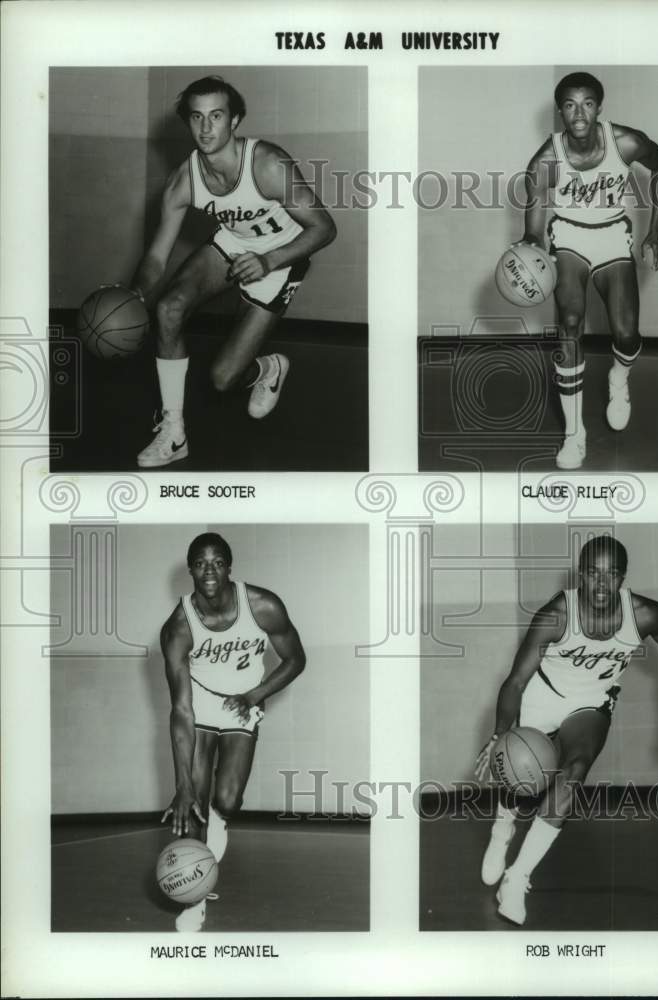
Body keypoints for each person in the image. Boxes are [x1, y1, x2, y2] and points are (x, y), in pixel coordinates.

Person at [474, 535, 658, 927]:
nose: (601, 584)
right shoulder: (557, 614)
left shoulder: (643, 615)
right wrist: (498, 735)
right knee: (517, 772)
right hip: (543, 694)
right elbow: (514, 682)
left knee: (574, 770)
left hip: (590, 704)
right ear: (581, 575)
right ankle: (503, 826)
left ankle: (518, 875)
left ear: (623, 578)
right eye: (593, 573)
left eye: (611, 575)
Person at [130, 76, 337, 468]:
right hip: (233, 244)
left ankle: (268, 367)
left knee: (223, 380)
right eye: (197, 118)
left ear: (235, 120)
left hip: (283, 256)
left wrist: (269, 260)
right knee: (168, 309)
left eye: (217, 116)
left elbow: (324, 228)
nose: (206, 128)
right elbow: (157, 257)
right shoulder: (183, 181)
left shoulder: (269, 165)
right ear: (188, 123)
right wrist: (136, 293)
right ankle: (173, 433)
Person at [518, 72, 658, 470]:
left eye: (587, 103)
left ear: (599, 107)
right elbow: (534, 223)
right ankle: (574, 434)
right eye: (570, 105)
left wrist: (656, 228)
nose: (579, 112)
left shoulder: (625, 142)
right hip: (568, 237)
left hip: (611, 237)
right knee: (569, 322)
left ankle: (618, 379)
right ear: (560, 111)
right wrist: (532, 249)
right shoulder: (546, 160)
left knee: (627, 332)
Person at [160, 532, 306, 932]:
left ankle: (219, 821)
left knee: (227, 799)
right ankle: (194, 900)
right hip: (201, 701)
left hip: (243, 701)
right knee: (194, 801)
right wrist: (182, 784)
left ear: (229, 567)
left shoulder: (262, 606)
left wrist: (256, 694)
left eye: (218, 562)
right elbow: (181, 709)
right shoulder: (178, 627)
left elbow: (296, 659)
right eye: (201, 563)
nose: (209, 570)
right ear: (190, 569)